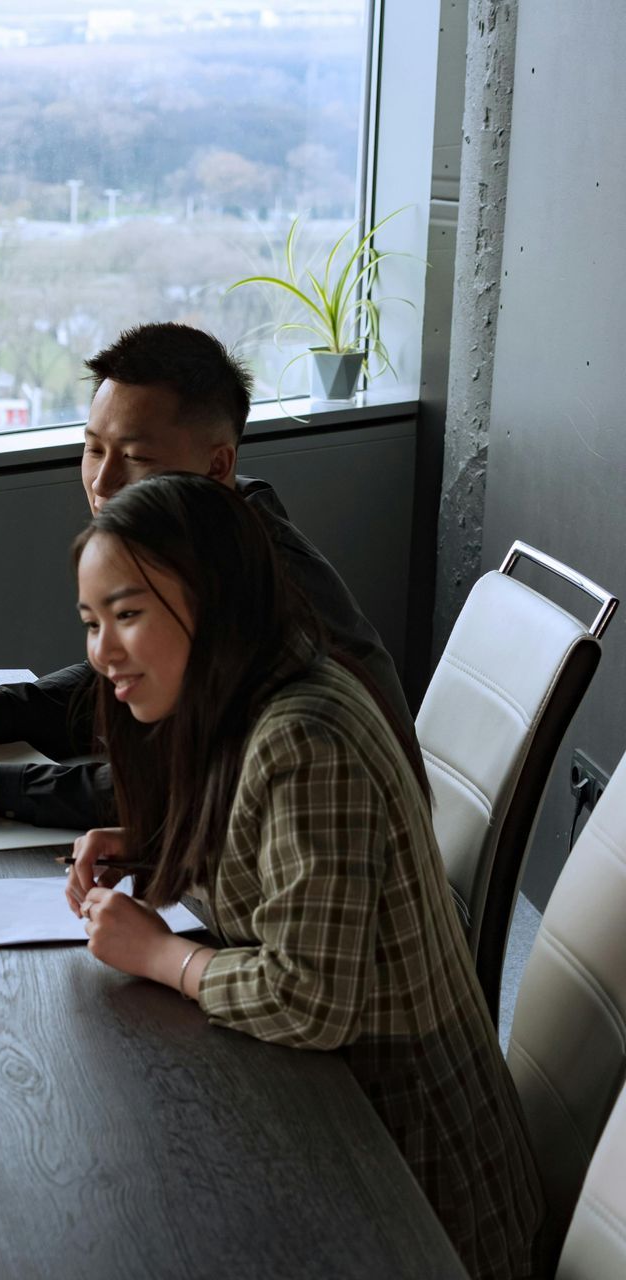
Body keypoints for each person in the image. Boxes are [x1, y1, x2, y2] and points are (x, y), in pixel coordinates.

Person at [62, 473, 540, 1278]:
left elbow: (307, 997)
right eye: (92, 621)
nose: (102, 651)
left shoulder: (304, 739)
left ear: (212, 598)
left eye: (129, 614)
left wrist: (160, 957)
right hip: (339, 1123)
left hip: (415, 1186)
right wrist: (151, 848)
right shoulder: (243, 694)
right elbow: (264, 864)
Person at [0, 321, 412, 828]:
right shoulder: (207, 533)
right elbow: (127, 680)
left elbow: (189, 784)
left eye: (134, 456)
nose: (103, 482)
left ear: (219, 465)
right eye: (93, 449)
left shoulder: (261, 584)